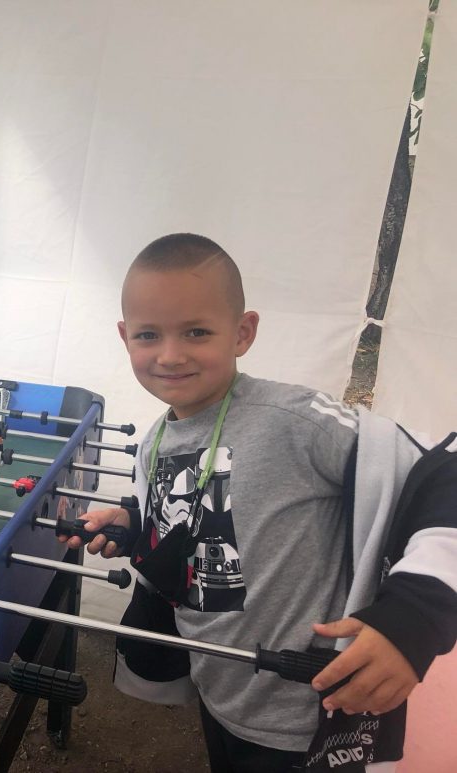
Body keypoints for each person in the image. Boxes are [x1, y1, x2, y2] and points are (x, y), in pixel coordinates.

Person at [63, 233, 457, 771]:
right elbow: (190, 523)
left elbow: (442, 476)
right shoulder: (155, 440)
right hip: (223, 697)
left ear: (242, 333)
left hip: (312, 718)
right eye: (148, 334)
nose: (171, 355)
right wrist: (133, 522)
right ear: (123, 336)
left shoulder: (295, 421)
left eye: (197, 332)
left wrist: (413, 618)